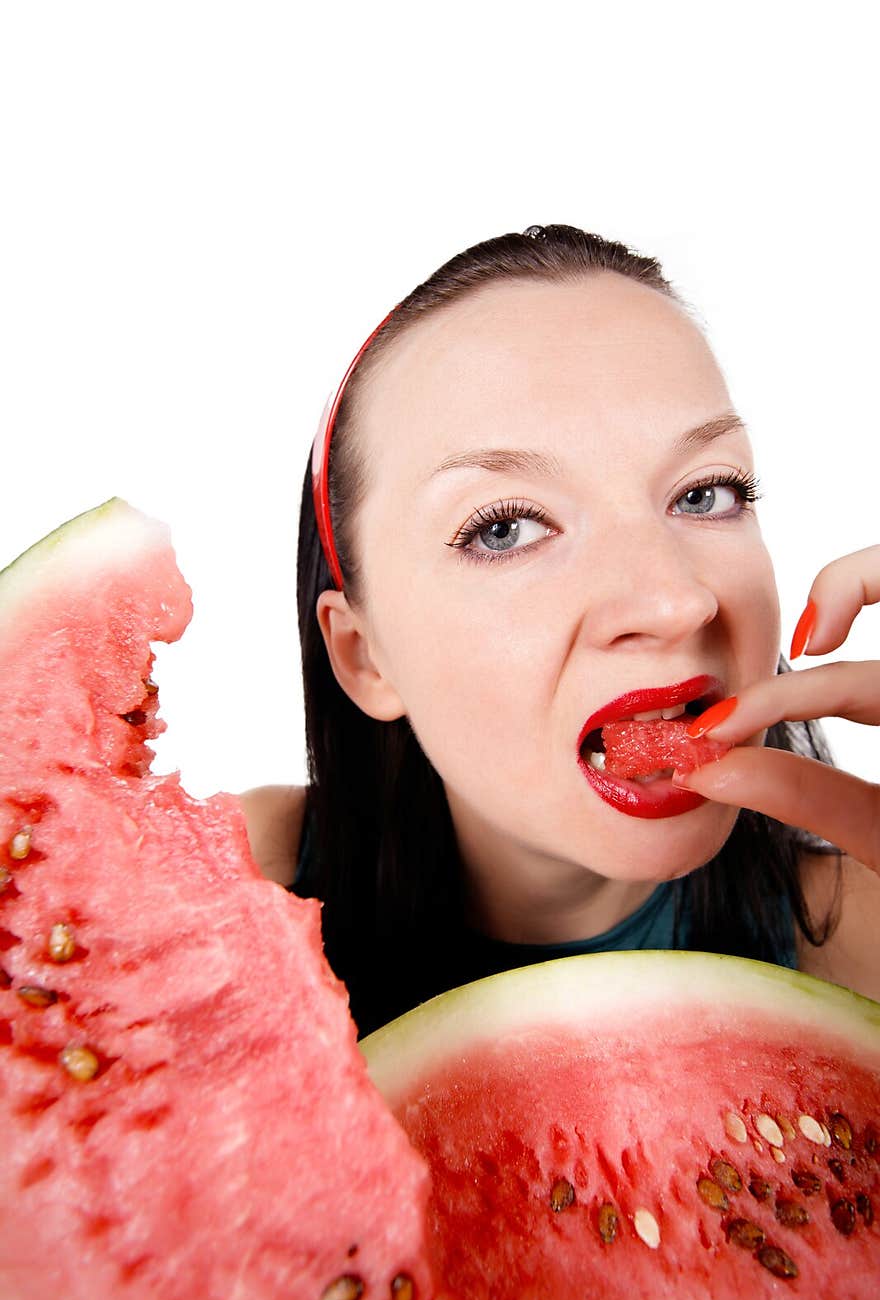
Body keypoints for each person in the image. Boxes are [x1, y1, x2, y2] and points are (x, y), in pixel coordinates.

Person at [240, 224, 880, 1039]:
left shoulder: (867, 944)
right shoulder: (227, 895)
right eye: (505, 527)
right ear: (365, 658)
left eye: (706, 493)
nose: (676, 601)